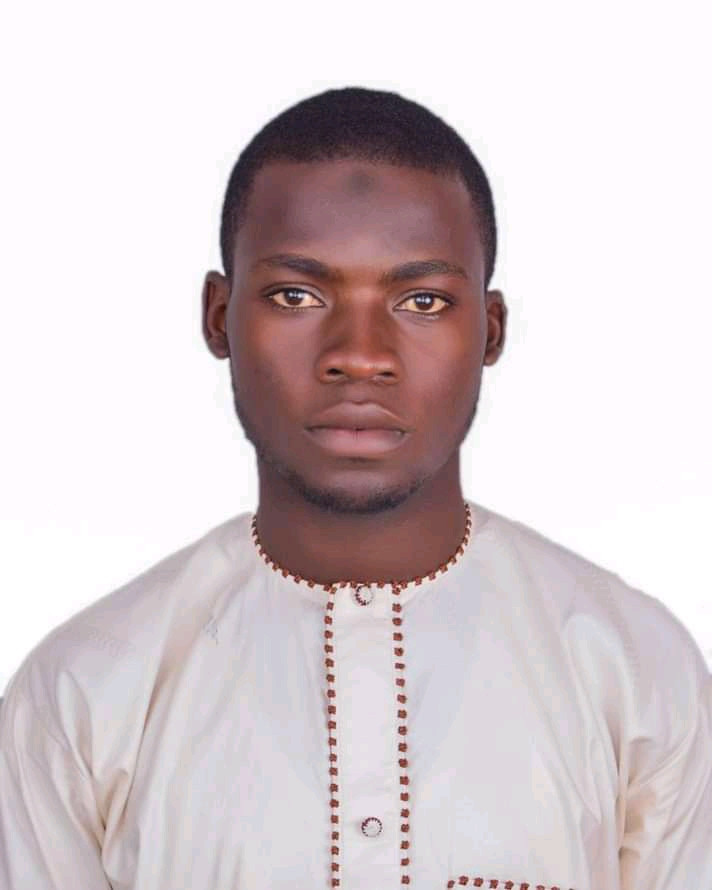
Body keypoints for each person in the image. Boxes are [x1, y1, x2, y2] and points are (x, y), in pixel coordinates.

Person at [1, 87, 710, 890]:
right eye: (297, 296)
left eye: (422, 301)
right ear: (219, 317)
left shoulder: (637, 676)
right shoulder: (83, 696)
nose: (359, 354)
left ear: (490, 331)